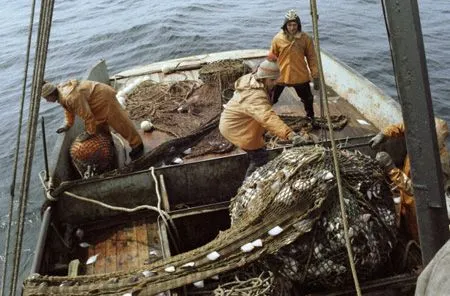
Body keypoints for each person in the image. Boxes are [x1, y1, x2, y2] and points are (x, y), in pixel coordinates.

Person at [219, 60, 309, 177]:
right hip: (237, 129)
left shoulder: (252, 79)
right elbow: (267, 117)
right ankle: (248, 187)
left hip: (234, 122)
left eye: (276, 79)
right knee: (260, 158)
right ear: (263, 78)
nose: (275, 83)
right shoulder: (255, 96)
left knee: (257, 148)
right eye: (272, 80)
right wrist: (290, 135)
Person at [370, 119, 450, 242]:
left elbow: (417, 191)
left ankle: (416, 246)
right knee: (403, 213)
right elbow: (404, 126)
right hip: (406, 187)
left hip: (420, 203)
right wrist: (384, 134)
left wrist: (390, 168)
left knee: (416, 229)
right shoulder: (421, 135)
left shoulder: (441, 164)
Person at [41, 79, 144, 160]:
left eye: (46, 98)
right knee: (100, 126)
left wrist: (89, 133)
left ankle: (137, 144)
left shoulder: (70, 97)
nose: (46, 100)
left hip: (104, 97)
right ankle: (109, 144)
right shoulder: (61, 94)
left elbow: (87, 116)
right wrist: (68, 125)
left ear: (51, 94)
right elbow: (68, 110)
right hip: (93, 101)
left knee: (120, 123)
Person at [268, 9, 319, 122]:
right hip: (281, 75)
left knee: (308, 99)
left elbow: (312, 58)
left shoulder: (306, 39)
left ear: (298, 25)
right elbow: (271, 58)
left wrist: (316, 76)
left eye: (294, 24)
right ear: (285, 25)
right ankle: (265, 118)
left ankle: (310, 118)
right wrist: (267, 76)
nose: (292, 27)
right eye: (289, 25)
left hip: (299, 75)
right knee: (270, 98)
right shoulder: (278, 38)